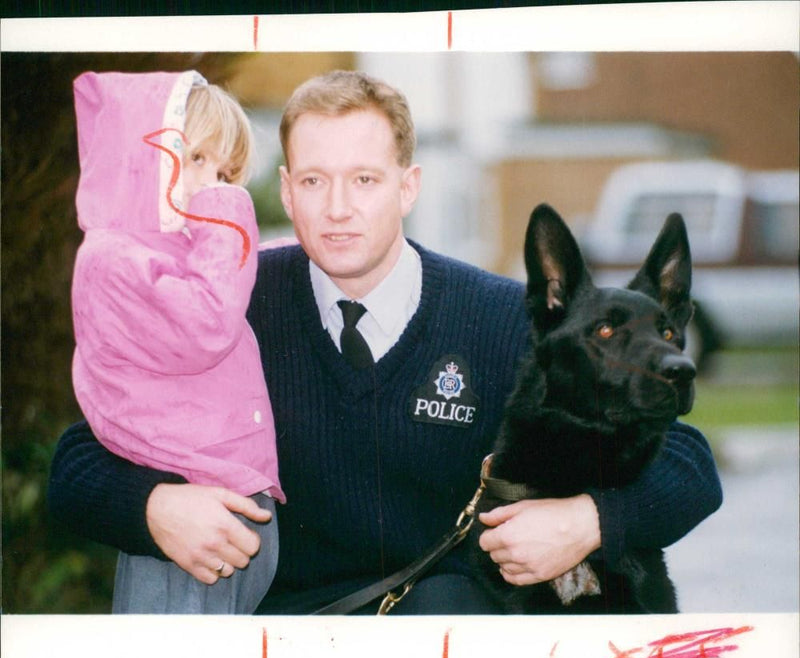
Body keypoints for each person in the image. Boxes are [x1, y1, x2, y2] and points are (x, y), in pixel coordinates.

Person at [50, 69, 722, 615]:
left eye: (365, 180)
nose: (338, 208)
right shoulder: (224, 303)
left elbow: (686, 460)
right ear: (285, 189)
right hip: (278, 656)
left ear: (409, 187)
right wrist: (152, 507)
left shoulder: (493, 318)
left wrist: (590, 521)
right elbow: (79, 460)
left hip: (439, 651)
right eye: (313, 181)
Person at [69, 70, 284, 613]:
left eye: (226, 172)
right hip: (188, 517)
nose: (213, 185)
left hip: (228, 498)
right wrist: (228, 216)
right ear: (143, 156)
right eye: (196, 160)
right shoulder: (114, 258)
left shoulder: (180, 255)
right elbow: (207, 326)